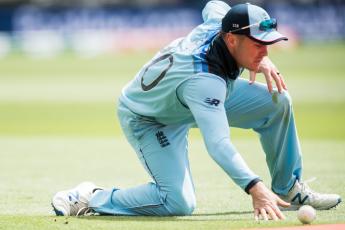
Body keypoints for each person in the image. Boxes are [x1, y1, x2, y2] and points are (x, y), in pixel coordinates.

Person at [52, 1, 341, 220]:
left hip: (185, 97)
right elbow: (218, 144)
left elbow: (213, 5)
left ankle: (288, 188)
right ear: (231, 40)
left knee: (277, 101)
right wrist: (255, 187)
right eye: (258, 45)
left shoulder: (222, 24)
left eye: (267, 45)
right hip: (150, 118)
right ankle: (91, 197)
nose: (265, 51)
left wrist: (259, 59)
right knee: (178, 203)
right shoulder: (205, 83)